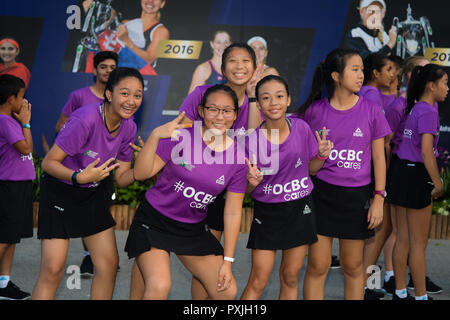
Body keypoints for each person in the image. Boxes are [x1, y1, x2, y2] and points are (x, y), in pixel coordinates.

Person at [127, 42, 263, 300]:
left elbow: (233, 210)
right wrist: (156, 136)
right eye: (213, 110)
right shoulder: (182, 136)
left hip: (192, 225)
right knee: (158, 285)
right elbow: (143, 173)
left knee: (226, 291)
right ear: (201, 111)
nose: (219, 116)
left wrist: (228, 261)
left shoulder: (238, 153)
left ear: (236, 116)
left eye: (226, 111)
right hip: (155, 219)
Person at [31, 67, 144, 300]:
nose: (131, 101)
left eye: (138, 95)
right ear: (109, 95)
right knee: (53, 269)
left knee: (108, 266)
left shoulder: (129, 127)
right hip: (61, 190)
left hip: (92, 193)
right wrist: (77, 177)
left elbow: (122, 178)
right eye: (125, 93)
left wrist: (141, 167)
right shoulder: (85, 119)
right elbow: (50, 163)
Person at [299, 48, 391, 300]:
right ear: (336, 76)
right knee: (318, 265)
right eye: (355, 69)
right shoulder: (314, 111)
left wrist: (379, 199)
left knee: (352, 267)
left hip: (356, 197)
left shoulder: (371, 110)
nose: (362, 75)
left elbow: (379, 158)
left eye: (362, 69)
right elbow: (304, 159)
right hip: (321, 195)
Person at [240, 75, 332, 300]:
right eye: (266, 98)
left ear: (288, 99)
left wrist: (321, 155)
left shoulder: (301, 127)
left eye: (279, 96)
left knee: (291, 276)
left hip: (300, 209)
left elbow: (312, 169)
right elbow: (243, 192)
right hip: (268, 214)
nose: (274, 103)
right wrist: (250, 183)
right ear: (259, 104)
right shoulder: (251, 142)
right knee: (259, 279)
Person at [382, 56, 442, 296]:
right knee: (418, 243)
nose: (447, 88)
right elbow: (427, 151)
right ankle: (420, 294)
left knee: (403, 239)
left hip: (400, 174)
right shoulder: (426, 111)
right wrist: (438, 181)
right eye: (445, 83)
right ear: (431, 85)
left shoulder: (414, 107)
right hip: (416, 176)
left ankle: (400, 291)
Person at [358, 52, 394, 300]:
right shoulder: (371, 95)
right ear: (375, 73)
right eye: (389, 69)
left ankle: (367, 285)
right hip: (372, 169)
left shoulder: (370, 95)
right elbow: (382, 140)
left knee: (376, 231)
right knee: (375, 231)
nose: (393, 75)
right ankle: (365, 286)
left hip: (369, 168)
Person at [0, 75, 34, 300]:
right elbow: (26, 148)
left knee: (11, 237)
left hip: (18, 186)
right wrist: (26, 122)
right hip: (9, 186)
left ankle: (3, 284)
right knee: (3, 237)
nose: (23, 101)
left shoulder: (9, 119)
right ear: (11, 98)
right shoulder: (5, 121)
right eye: (21, 96)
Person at [56, 51, 118, 132]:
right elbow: (60, 126)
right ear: (95, 71)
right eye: (103, 67)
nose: (108, 71)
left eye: (112, 68)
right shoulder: (78, 96)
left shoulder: (119, 100)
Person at [116, 0, 169, 75]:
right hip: (118, 76)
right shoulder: (126, 23)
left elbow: (149, 60)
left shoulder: (161, 31)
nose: (150, 1)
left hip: (141, 79)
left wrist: (127, 41)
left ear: (162, 4)